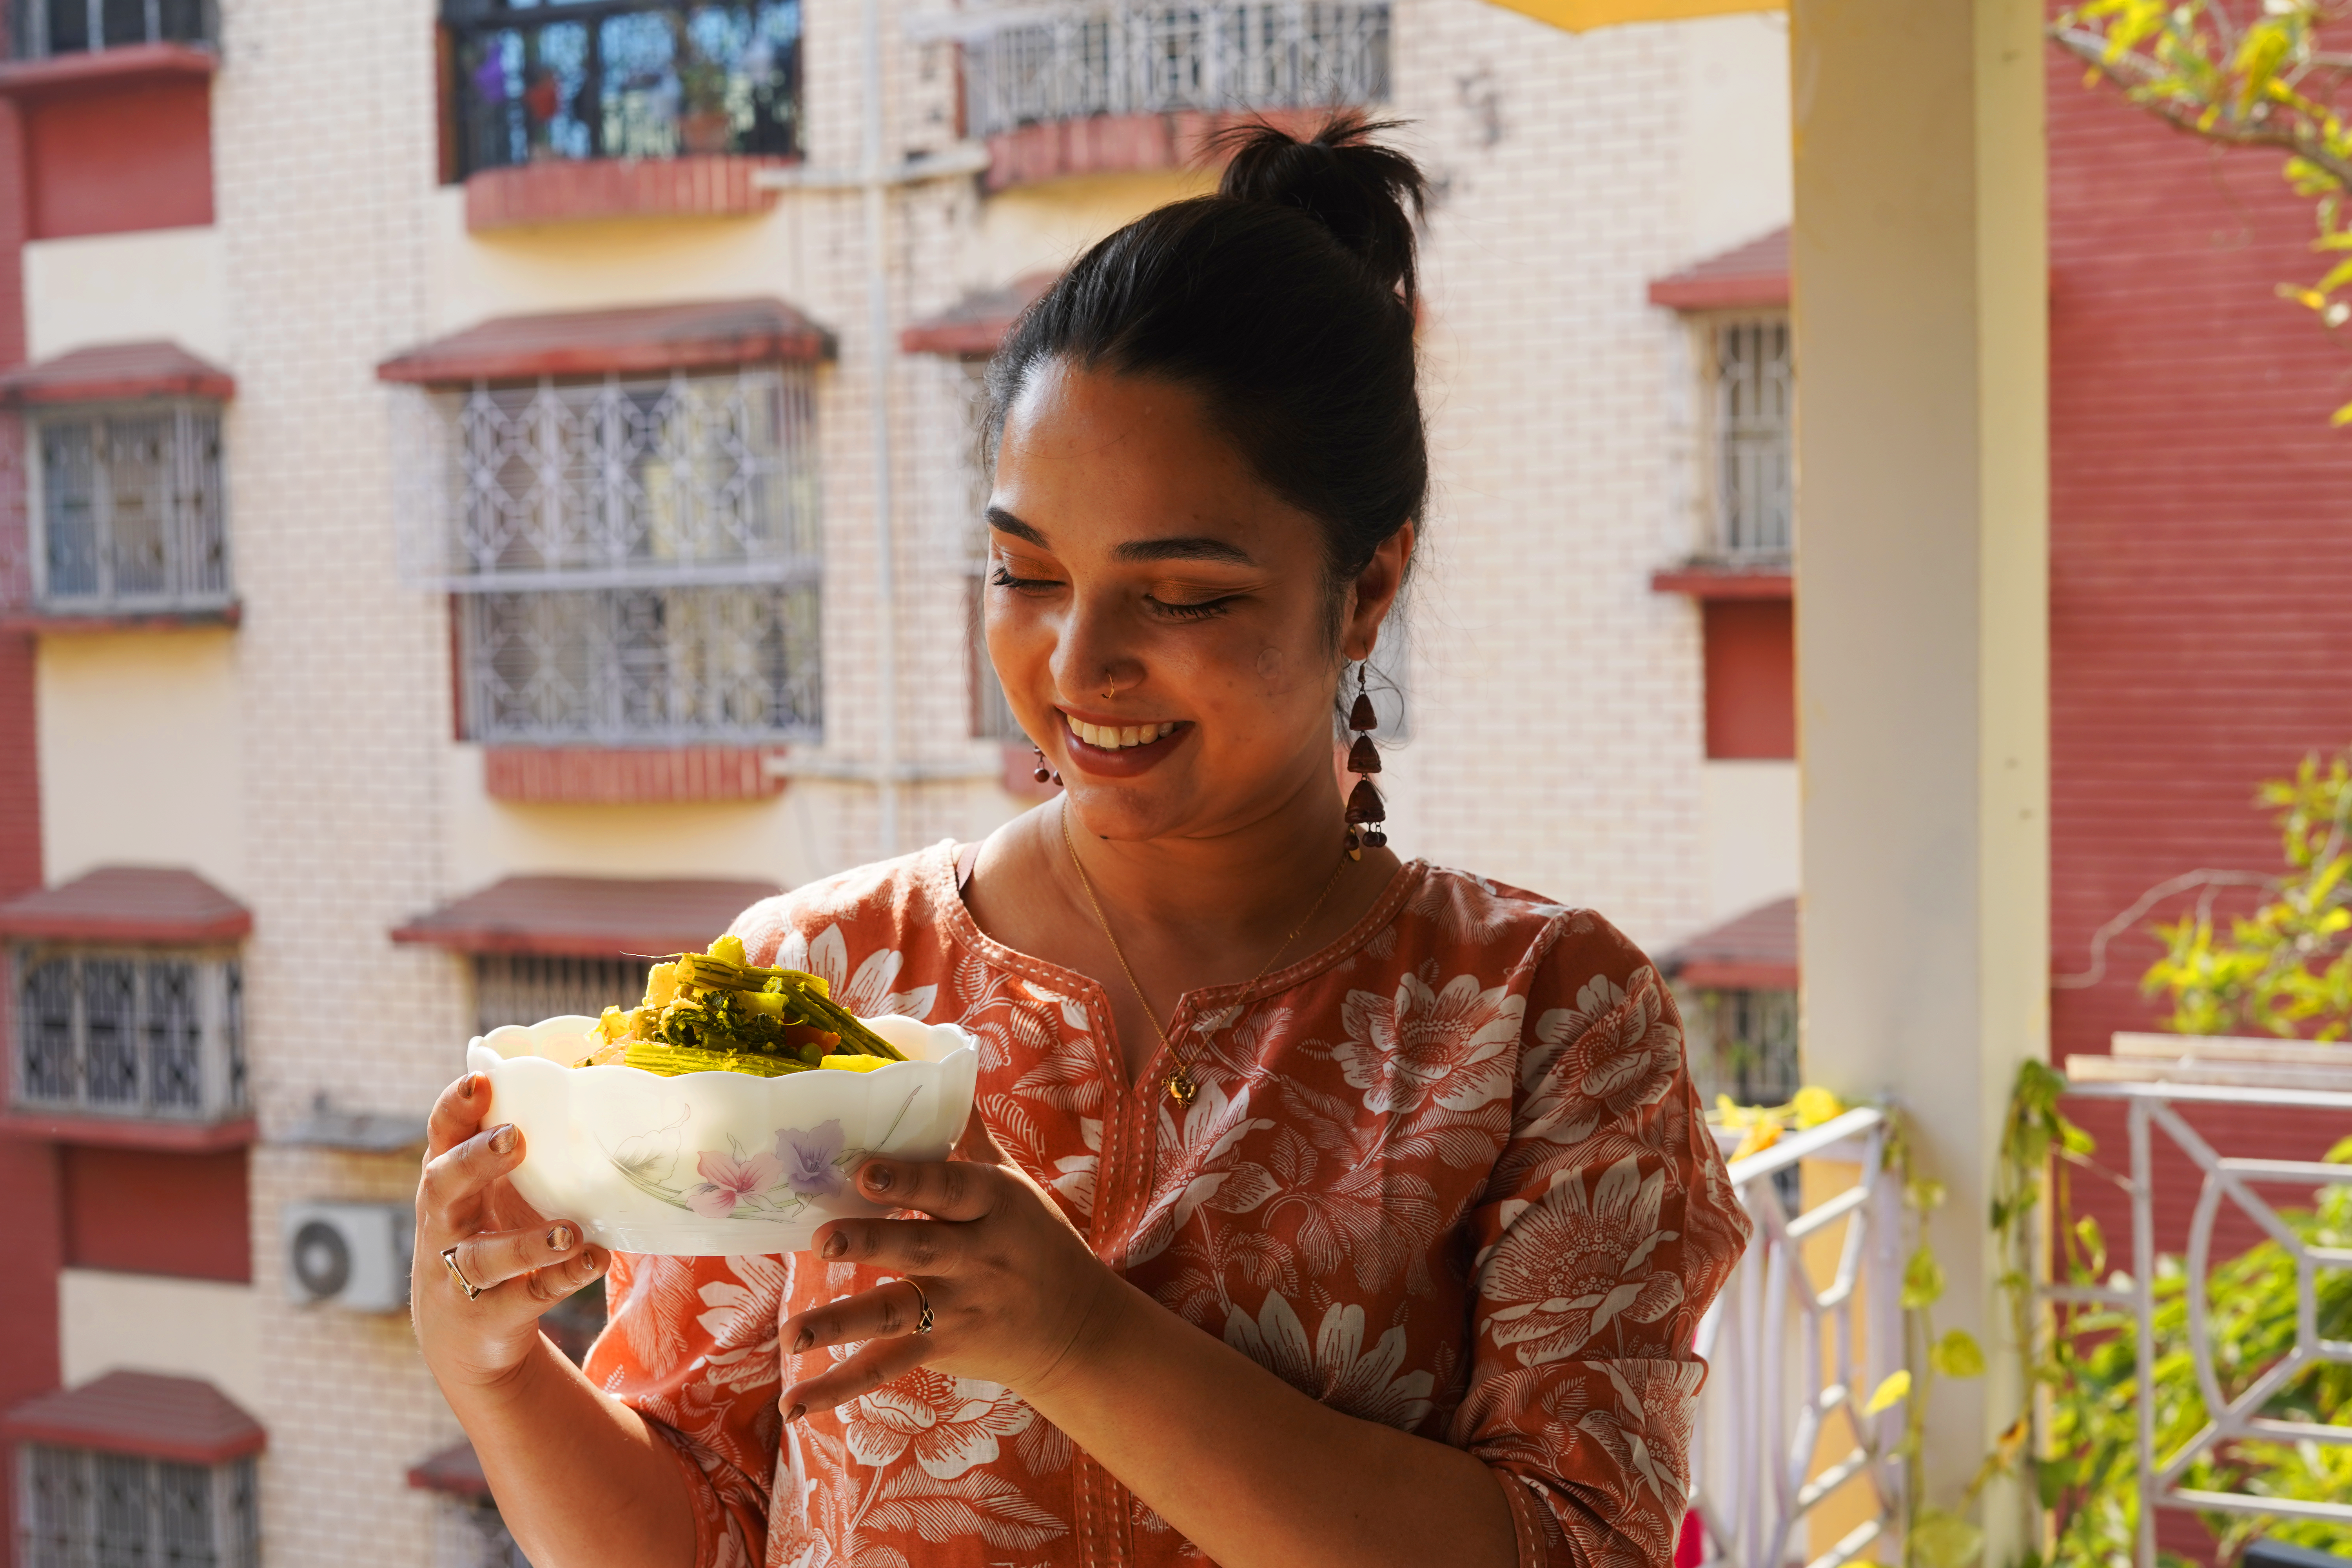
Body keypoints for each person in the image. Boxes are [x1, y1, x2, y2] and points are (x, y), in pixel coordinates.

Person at [412, 115, 1751, 1568]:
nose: (1077, 664)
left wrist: (1082, 1342)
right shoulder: (821, 989)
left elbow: (1580, 1546)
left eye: (1179, 596)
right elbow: (698, 1528)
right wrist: (496, 1373)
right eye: (1025, 572)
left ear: (1365, 589)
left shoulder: (1544, 1022)